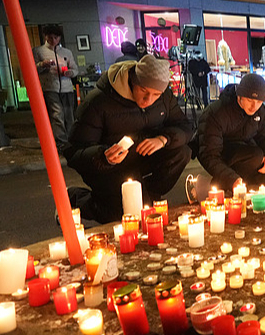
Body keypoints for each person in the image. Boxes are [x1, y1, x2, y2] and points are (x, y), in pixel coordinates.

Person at [64, 55, 193, 223]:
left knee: (182, 151)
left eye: (156, 94)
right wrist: (103, 156)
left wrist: (163, 139)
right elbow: (74, 151)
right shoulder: (98, 102)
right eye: (143, 91)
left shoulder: (165, 97)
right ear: (133, 81)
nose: (149, 100)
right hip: (110, 167)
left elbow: (185, 127)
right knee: (124, 215)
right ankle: (76, 198)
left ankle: (148, 196)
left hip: (141, 158)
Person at [196, 73, 265, 191]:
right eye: (249, 100)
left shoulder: (259, 111)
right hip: (224, 154)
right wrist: (230, 178)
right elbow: (209, 154)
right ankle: (216, 183)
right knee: (256, 156)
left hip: (246, 153)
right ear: (239, 96)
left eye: (259, 102)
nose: (254, 106)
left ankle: (241, 183)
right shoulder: (216, 113)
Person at [32, 25, 79, 152]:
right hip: (50, 87)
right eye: (51, 37)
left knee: (69, 115)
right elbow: (33, 70)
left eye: (56, 38)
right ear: (45, 37)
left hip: (67, 87)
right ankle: (61, 142)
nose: (53, 40)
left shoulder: (66, 52)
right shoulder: (38, 51)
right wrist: (42, 65)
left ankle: (71, 140)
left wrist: (68, 73)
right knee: (57, 114)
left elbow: (75, 69)